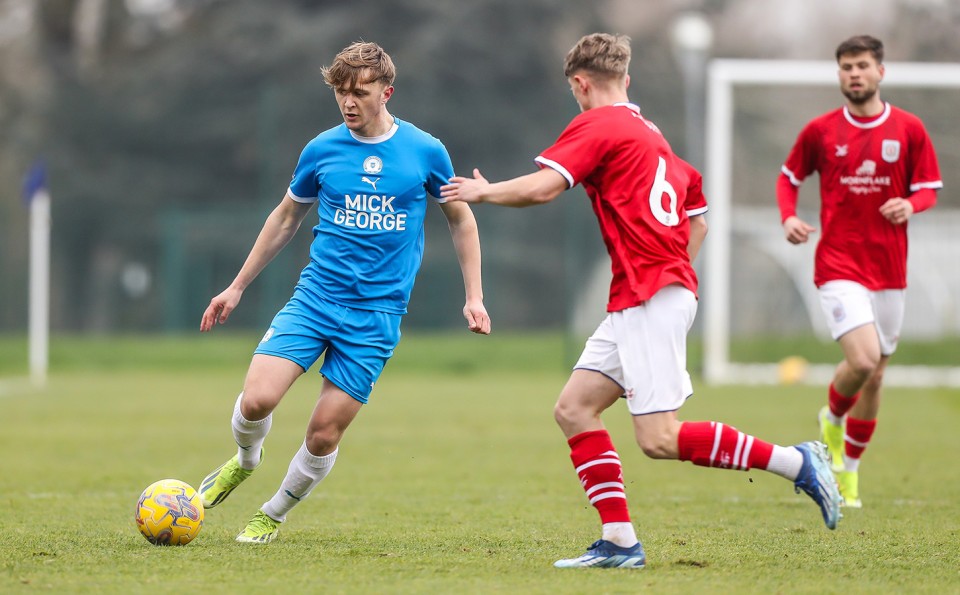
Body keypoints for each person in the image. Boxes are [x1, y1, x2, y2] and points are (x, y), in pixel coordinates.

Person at [441, 32, 841, 570]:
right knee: (575, 409)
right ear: (626, 80)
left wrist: (481, 191)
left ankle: (798, 463)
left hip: (650, 295)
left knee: (659, 437)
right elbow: (697, 213)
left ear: (580, 84)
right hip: (647, 292)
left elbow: (543, 187)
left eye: (575, 91)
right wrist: (672, 270)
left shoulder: (599, 124)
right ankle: (621, 542)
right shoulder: (650, 133)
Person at [197, 41, 491, 544]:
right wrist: (237, 286)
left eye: (360, 92)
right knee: (256, 400)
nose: (349, 102)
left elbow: (461, 220)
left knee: (323, 432)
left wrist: (474, 296)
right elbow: (286, 217)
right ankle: (245, 461)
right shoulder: (322, 149)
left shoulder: (425, 151)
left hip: (376, 315)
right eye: (340, 92)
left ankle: (272, 513)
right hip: (315, 299)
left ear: (387, 91)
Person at [777, 35, 941, 509]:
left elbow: (929, 188)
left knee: (876, 376)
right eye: (846, 66)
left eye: (862, 65)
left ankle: (849, 469)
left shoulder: (908, 129)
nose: (854, 73)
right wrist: (788, 216)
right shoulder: (821, 131)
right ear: (839, 73)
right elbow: (789, 177)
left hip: (889, 268)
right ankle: (831, 415)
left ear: (880, 72)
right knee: (864, 359)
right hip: (838, 263)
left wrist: (910, 204)